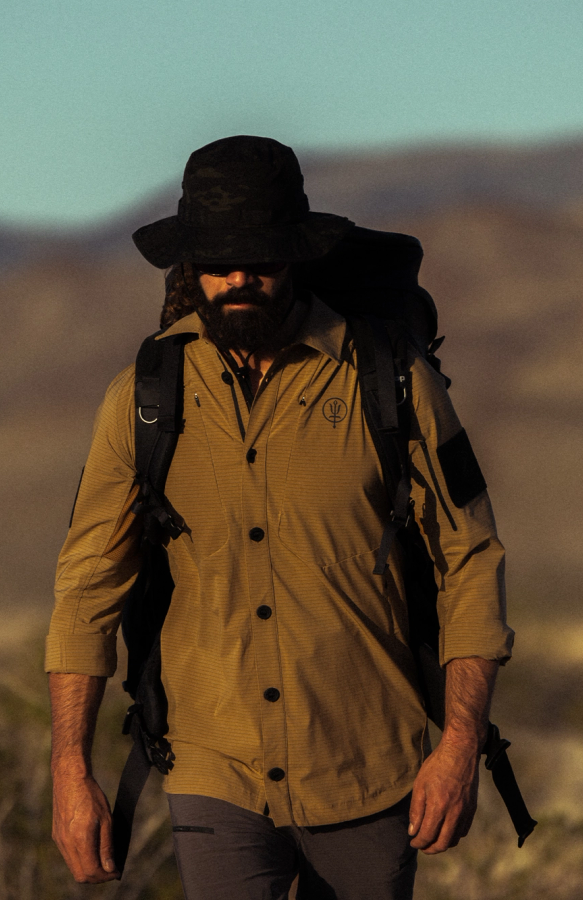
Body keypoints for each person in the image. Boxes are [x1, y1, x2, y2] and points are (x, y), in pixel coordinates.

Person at [46, 135, 513, 900]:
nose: (238, 280)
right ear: (188, 267)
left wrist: (459, 745)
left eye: (259, 260)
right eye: (218, 262)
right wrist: (69, 770)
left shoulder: (392, 380)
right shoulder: (145, 395)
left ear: (295, 256)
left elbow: (471, 560)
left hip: (369, 766)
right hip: (212, 766)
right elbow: (88, 584)